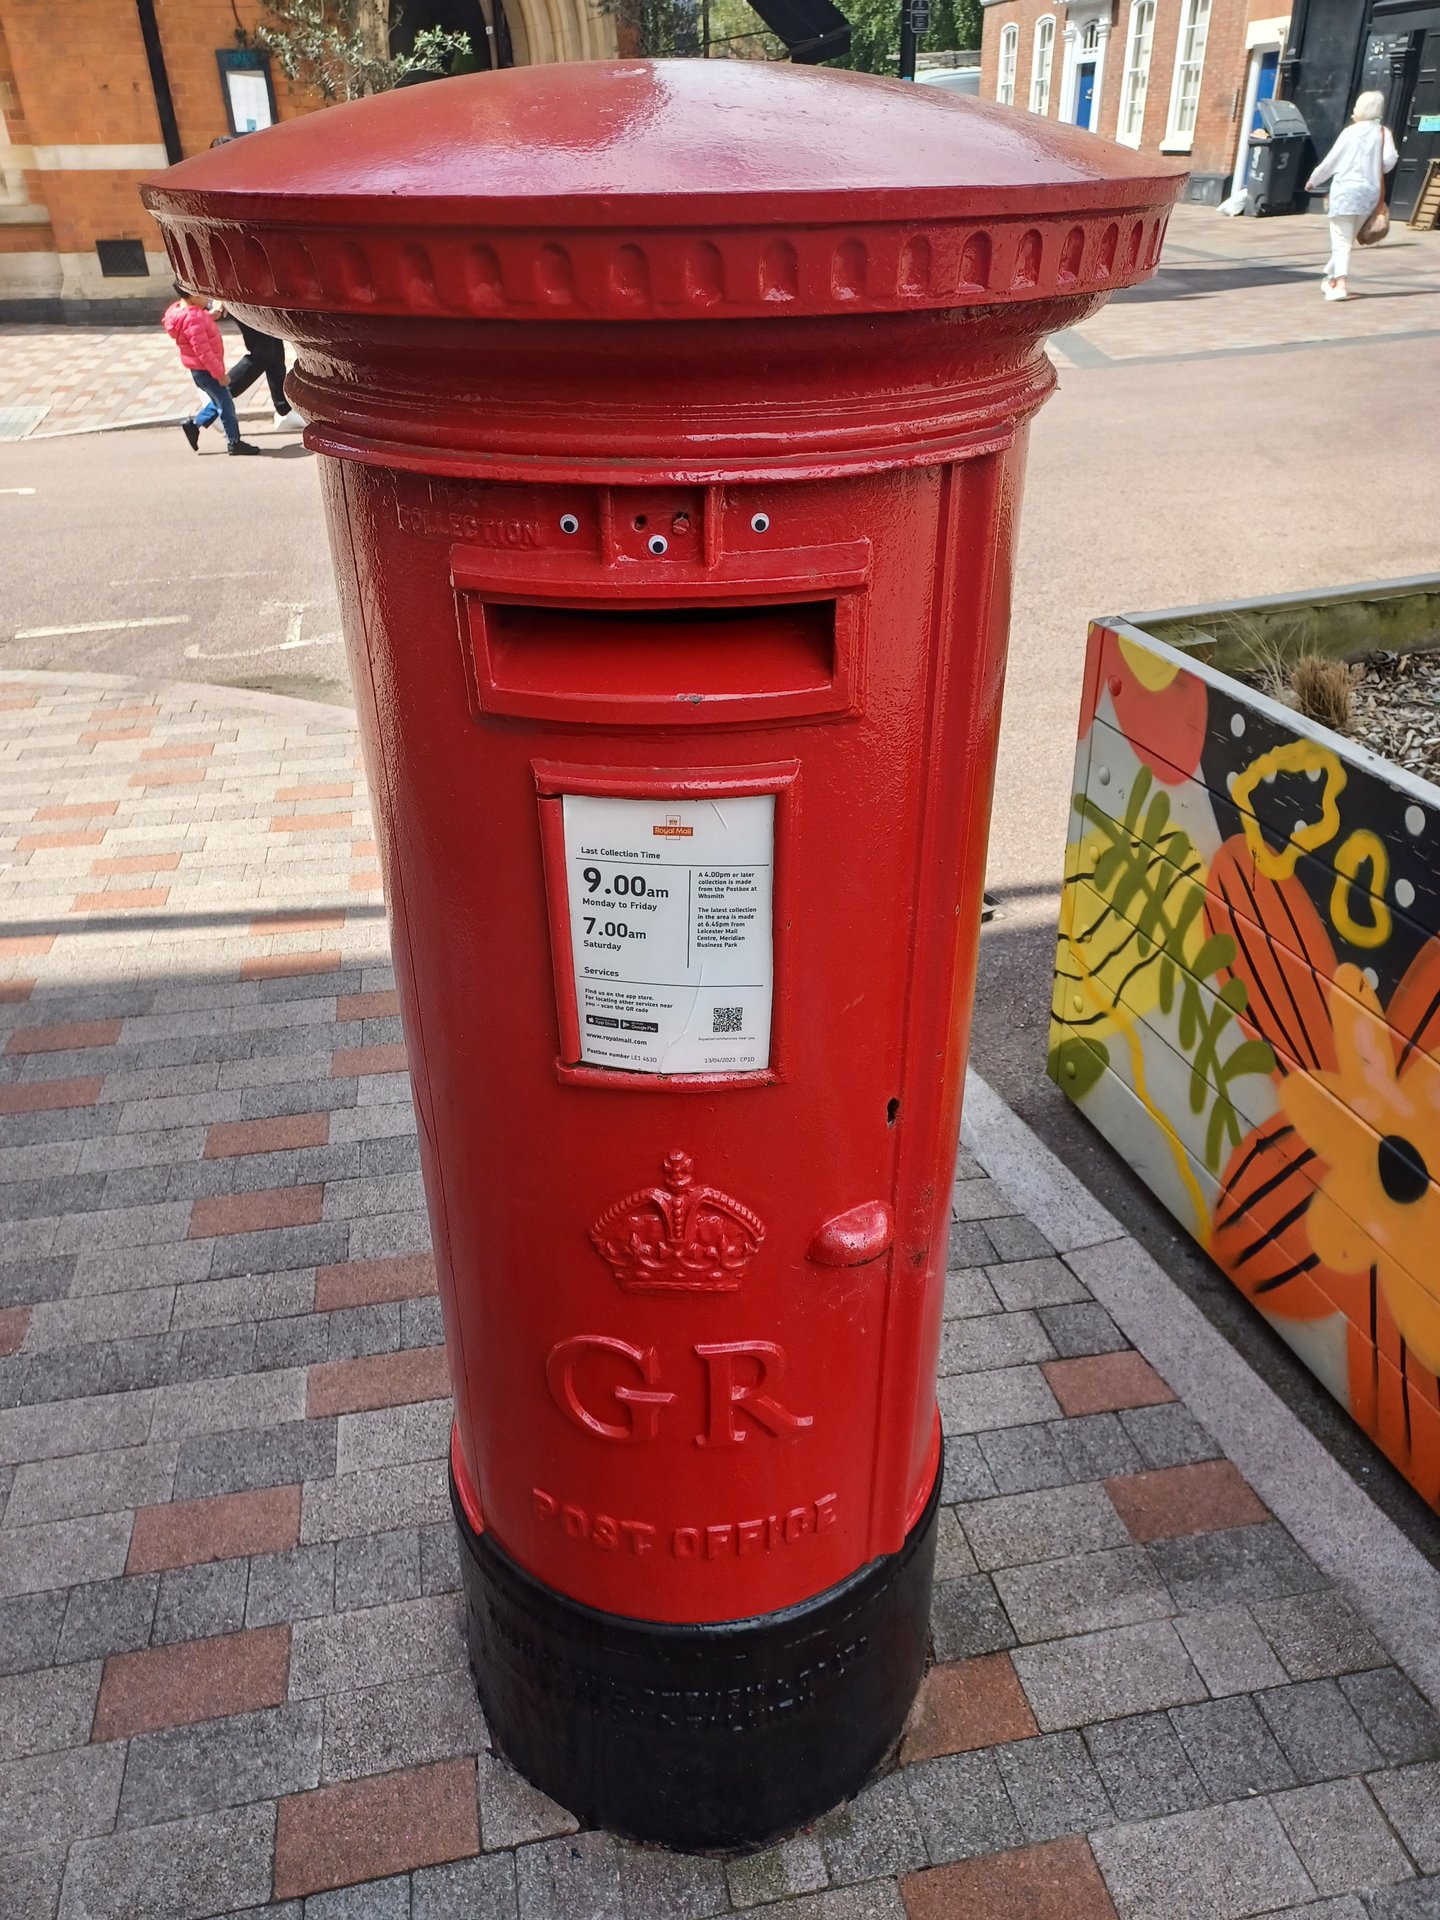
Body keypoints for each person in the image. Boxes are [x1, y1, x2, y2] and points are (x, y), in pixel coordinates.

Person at [1305, 91, 1398, 302]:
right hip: (1369, 194)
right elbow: (1389, 162)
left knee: (1341, 241)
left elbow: (1331, 161)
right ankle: (1330, 277)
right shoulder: (1383, 132)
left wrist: (1314, 180)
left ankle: (1340, 284)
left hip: (1345, 191)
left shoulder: (1350, 133)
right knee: (1346, 241)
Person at [162, 282, 260, 456]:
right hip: (207, 370)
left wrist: (207, 316)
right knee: (226, 405)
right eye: (204, 295)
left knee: (219, 400)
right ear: (193, 296)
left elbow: (194, 327)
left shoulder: (181, 312)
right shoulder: (194, 318)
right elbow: (203, 351)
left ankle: (194, 425)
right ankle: (234, 442)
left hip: (198, 370)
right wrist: (220, 374)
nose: (208, 298)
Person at [227, 316, 303, 432]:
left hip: (262, 303)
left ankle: (284, 411)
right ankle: (220, 394)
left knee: (275, 352)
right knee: (263, 354)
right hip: (248, 303)